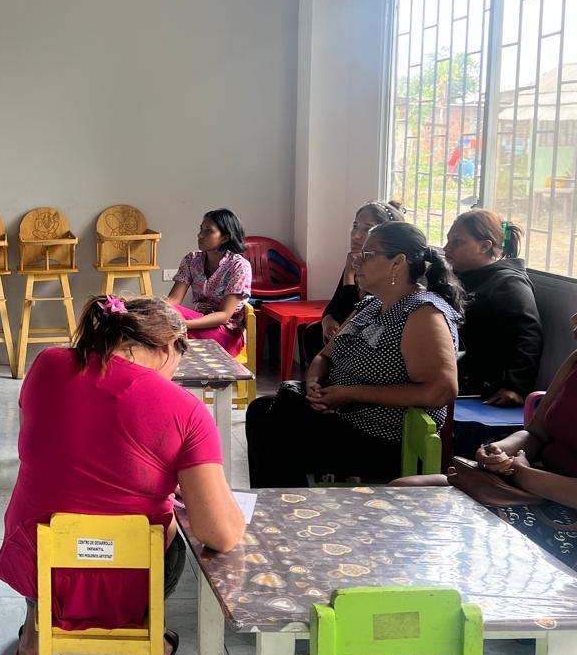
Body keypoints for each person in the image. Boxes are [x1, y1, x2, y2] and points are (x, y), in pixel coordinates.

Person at [0, 294, 245, 655]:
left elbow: (69, 446)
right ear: (168, 346)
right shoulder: (186, 408)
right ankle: (150, 636)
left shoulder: (47, 363)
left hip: (34, 561)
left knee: (48, 512)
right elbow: (219, 534)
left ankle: (34, 635)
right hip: (123, 577)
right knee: (170, 533)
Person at [245, 221, 462, 487]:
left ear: (397, 262)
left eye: (367, 255)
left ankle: (286, 503)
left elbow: (440, 391)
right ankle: (283, 500)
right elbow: (324, 356)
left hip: (380, 435)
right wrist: (314, 384)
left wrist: (350, 394)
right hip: (343, 415)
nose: (356, 261)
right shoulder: (371, 306)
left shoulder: (422, 314)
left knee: (275, 426)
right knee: (264, 411)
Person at [395, 311, 577, 570]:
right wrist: (498, 450)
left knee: (454, 536)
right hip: (534, 486)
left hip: (563, 511)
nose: (574, 319)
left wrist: (524, 475)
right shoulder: (574, 362)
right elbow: (535, 433)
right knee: (405, 491)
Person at [444, 209, 542, 406]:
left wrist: (515, 386)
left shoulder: (508, 283)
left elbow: (527, 336)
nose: (447, 248)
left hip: (480, 388)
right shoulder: (461, 276)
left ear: (484, 246)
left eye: (457, 242)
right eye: (448, 240)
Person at [302, 200, 406, 359]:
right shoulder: (355, 260)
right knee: (313, 331)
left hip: (372, 338)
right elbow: (335, 305)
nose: (356, 235)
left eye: (367, 229)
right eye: (355, 226)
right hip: (349, 331)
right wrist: (327, 321)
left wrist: (350, 275)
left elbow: (357, 315)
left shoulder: (384, 269)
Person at [165, 208, 252, 357]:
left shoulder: (239, 266)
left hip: (225, 333)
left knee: (165, 330)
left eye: (208, 231)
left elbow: (224, 315)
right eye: (201, 229)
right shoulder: (192, 260)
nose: (200, 235)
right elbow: (173, 300)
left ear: (225, 238)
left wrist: (183, 325)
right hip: (196, 323)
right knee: (164, 315)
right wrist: (148, 308)